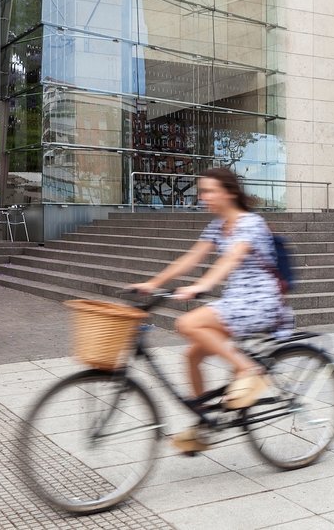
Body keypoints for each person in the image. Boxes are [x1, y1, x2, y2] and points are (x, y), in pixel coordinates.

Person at [130, 167, 287, 453]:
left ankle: (247, 368)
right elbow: (190, 258)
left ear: (229, 192)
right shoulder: (217, 226)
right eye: (202, 192)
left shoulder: (250, 223)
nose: (204, 197)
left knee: (188, 324)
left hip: (261, 301)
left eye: (210, 191)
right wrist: (153, 283)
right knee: (191, 356)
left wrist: (200, 286)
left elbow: (231, 258)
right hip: (235, 300)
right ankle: (205, 422)